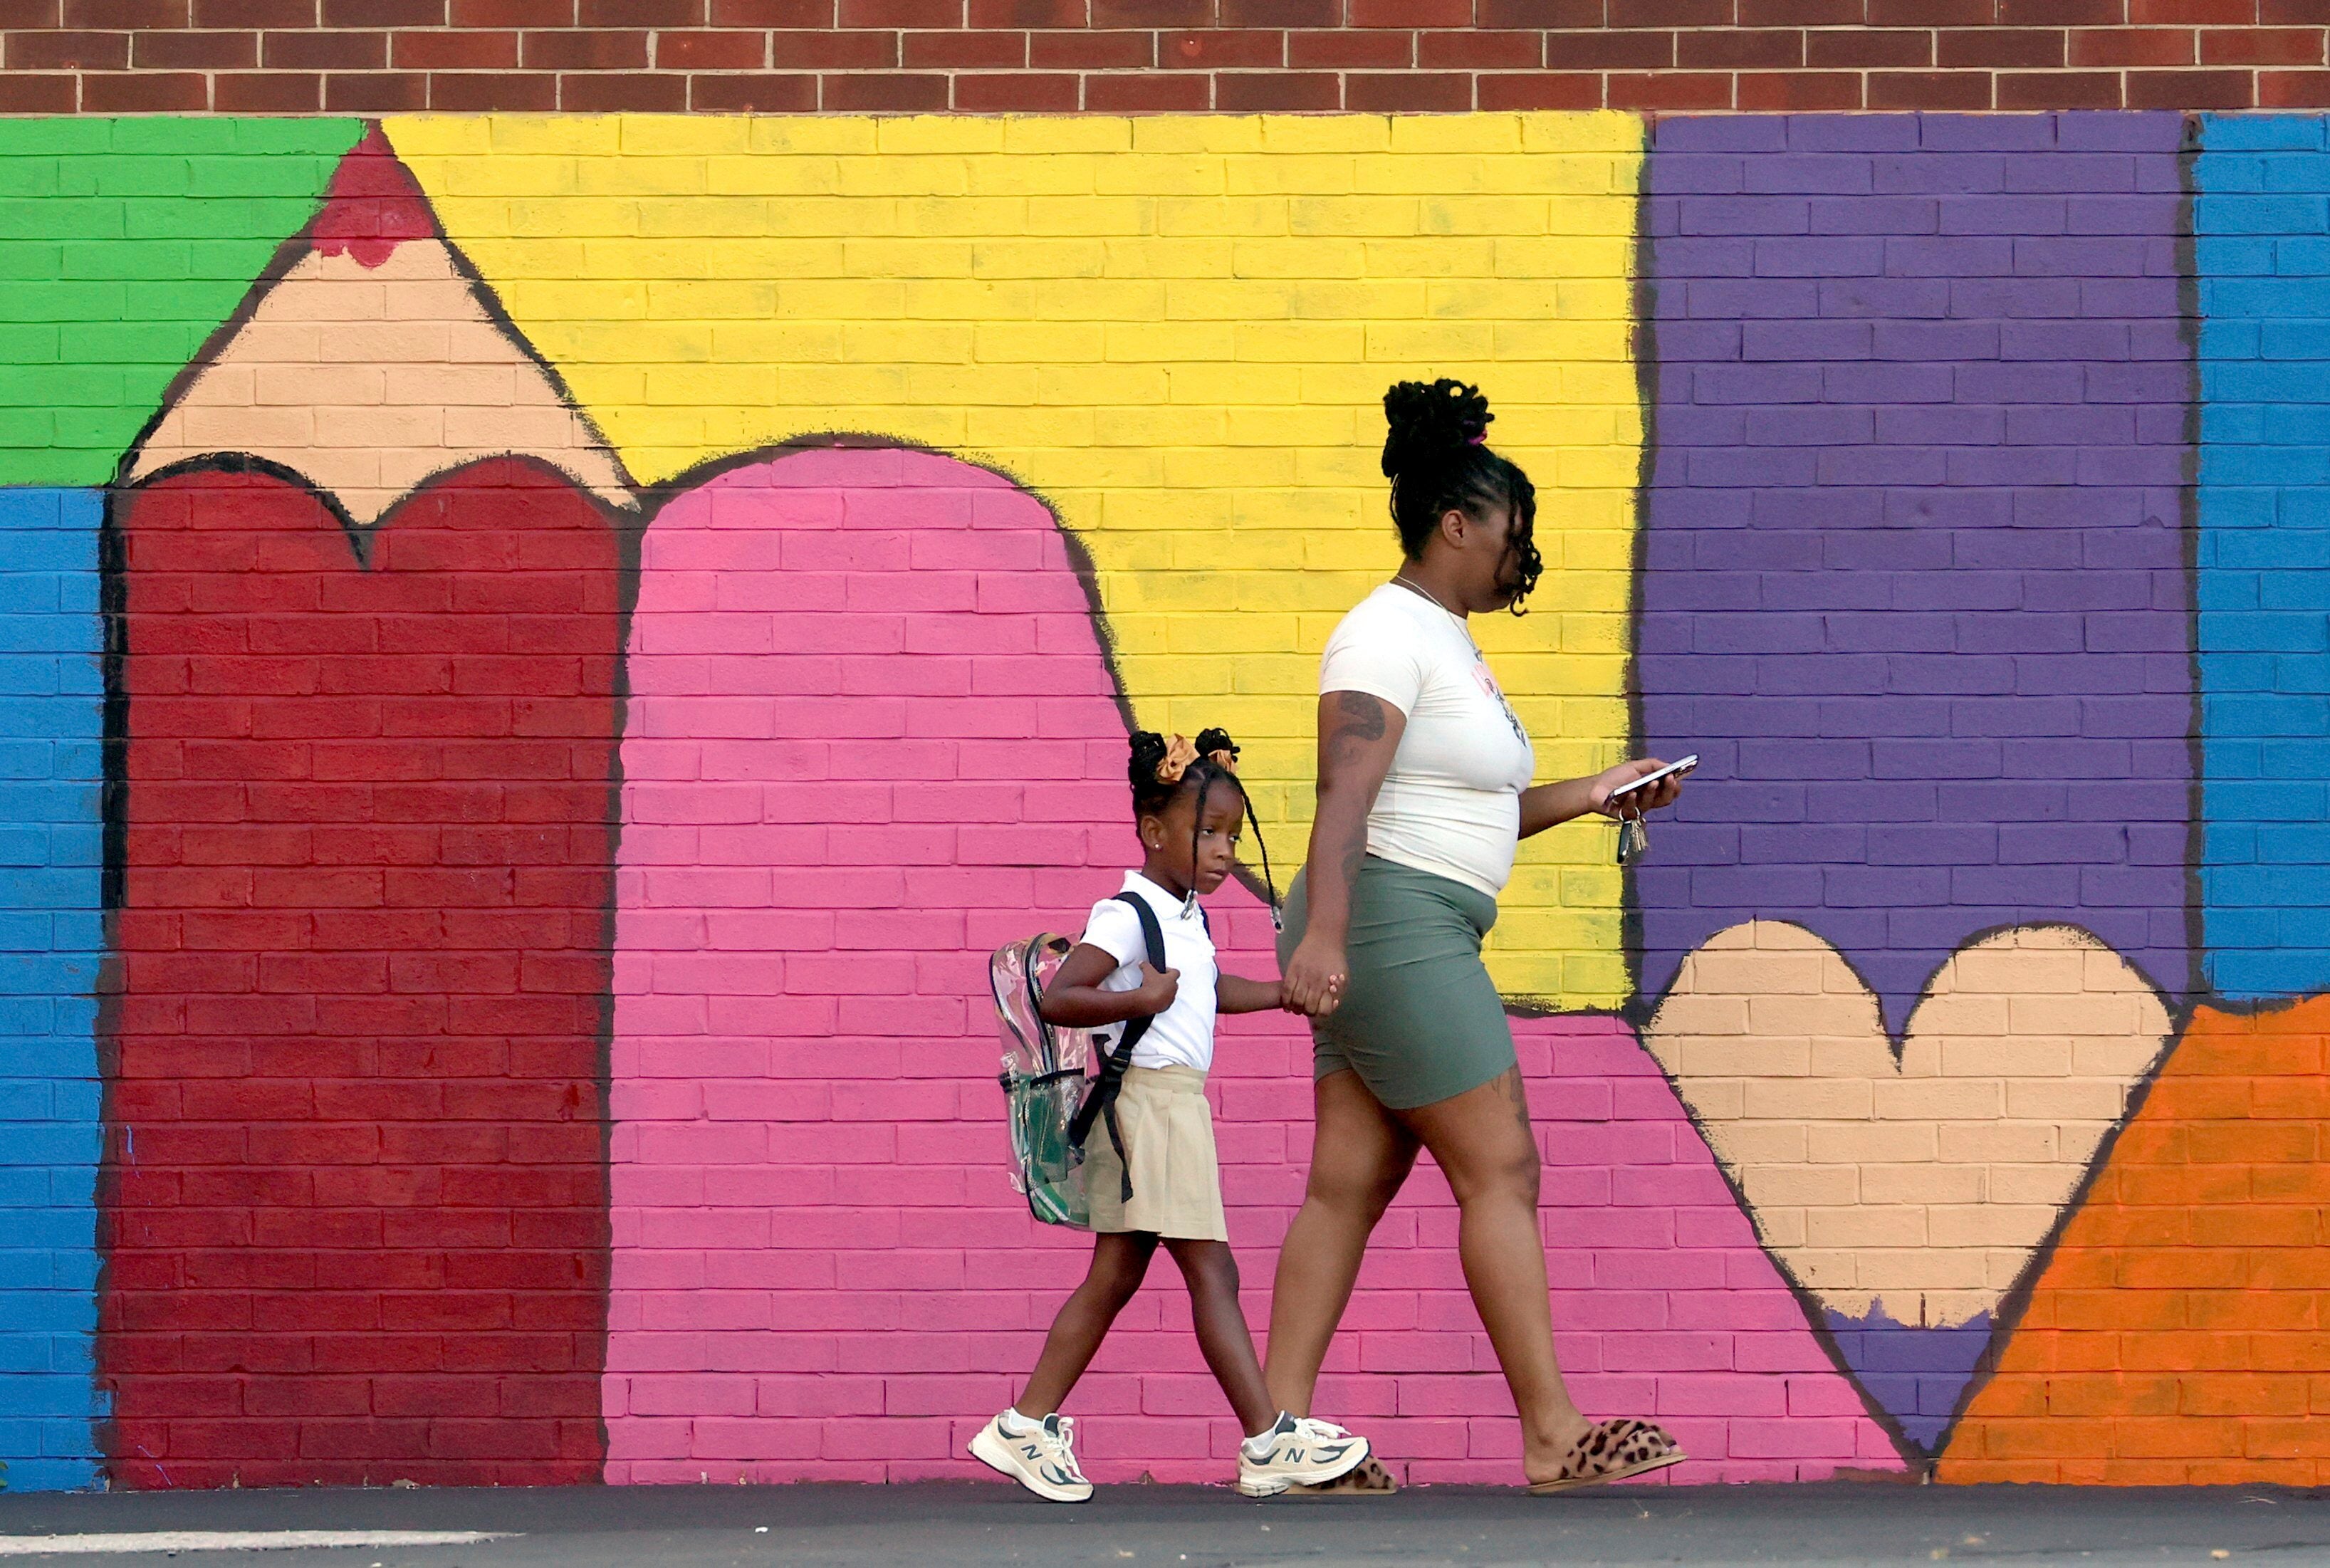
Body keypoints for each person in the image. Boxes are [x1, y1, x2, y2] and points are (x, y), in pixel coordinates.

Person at [1268, 380, 1691, 1495]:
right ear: (1457, 523)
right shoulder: (1384, 633)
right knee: (1500, 1165)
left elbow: (1467, 807)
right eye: (1515, 530)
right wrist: (1328, 937)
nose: (1524, 552)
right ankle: (1553, 1433)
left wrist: (1599, 792)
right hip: (1390, 914)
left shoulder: (1444, 643)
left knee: (1346, 1183)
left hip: (1394, 910)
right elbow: (1344, 793)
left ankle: (1281, 1436)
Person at [971, 728, 1375, 1502]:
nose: (1224, 850)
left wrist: (1287, 995)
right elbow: (1059, 996)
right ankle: (1266, 1440)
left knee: (1117, 1277)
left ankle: (1026, 1423)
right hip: (1145, 1109)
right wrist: (1136, 1000)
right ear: (1154, 832)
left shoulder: (1185, 914)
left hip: (1174, 1108)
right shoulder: (1129, 913)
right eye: (1206, 833)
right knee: (1207, 1269)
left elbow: (1208, 993)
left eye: (1229, 834)